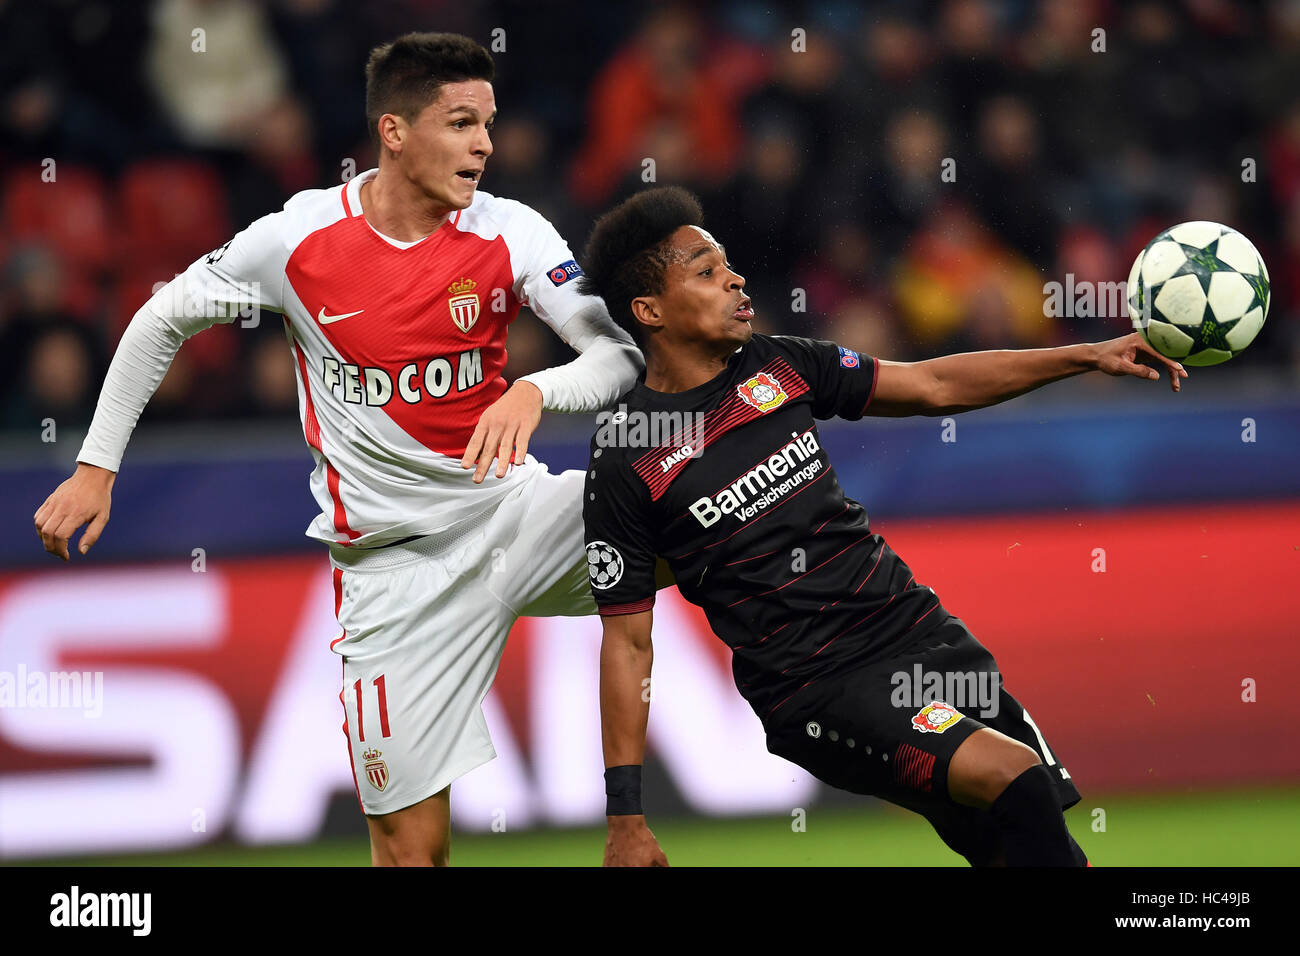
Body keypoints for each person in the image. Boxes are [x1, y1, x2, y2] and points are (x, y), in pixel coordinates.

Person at [33, 32, 644, 866]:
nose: (485, 146)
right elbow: (161, 317)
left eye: (488, 124)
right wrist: (95, 468)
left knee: (704, 506)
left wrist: (535, 391)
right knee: (408, 855)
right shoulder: (299, 240)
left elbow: (616, 353)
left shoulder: (512, 230)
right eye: (462, 123)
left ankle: (855, 686)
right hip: (393, 576)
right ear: (393, 132)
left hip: (512, 515)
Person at [578, 186, 1187, 867]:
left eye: (728, 263)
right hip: (819, 686)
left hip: (920, 633)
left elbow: (933, 386)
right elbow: (628, 644)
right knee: (1011, 775)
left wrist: (1084, 356)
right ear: (649, 310)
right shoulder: (630, 455)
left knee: (1029, 839)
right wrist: (625, 816)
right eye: (705, 270)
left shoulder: (781, 366)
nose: (735, 278)